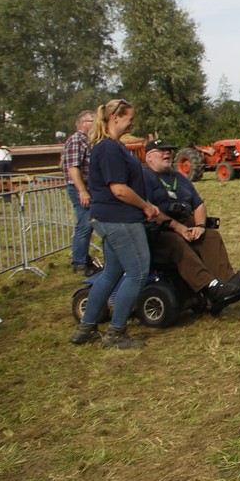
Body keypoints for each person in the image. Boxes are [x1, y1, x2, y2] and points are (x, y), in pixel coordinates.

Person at [69, 99, 160, 350]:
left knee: (111, 273)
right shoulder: (109, 149)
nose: (133, 123)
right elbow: (118, 189)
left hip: (112, 218)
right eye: (130, 118)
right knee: (138, 273)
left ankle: (86, 328)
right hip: (120, 219)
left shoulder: (111, 146)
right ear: (115, 118)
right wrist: (145, 206)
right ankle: (116, 333)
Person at [139, 139, 240, 310]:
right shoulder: (143, 177)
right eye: (162, 151)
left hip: (186, 223)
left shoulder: (179, 177)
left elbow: (198, 204)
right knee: (176, 242)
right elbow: (150, 211)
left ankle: (229, 281)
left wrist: (200, 226)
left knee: (211, 236)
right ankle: (210, 287)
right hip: (160, 230)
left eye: (170, 150)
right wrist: (178, 228)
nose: (168, 153)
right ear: (149, 157)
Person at [61, 109, 97, 275]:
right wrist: (82, 191)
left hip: (88, 187)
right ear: (83, 124)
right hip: (80, 188)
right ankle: (79, 263)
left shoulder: (88, 140)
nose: (96, 124)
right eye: (93, 121)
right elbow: (72, 167)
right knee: (84, 224)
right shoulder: (77, 139)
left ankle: (83, 259)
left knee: (88, 224)